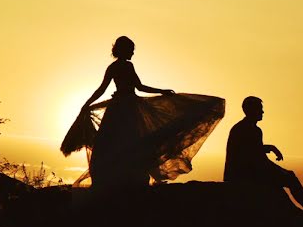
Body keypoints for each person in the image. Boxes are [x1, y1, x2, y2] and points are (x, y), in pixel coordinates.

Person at [60, 36, 225, 189]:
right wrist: (162, 91)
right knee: (132, 141)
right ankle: (130, 178)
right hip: (129, 108)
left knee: (112, 143)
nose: (133, 52)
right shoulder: (126, 65)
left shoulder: (112, 67)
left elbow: (101, 89)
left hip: (116, 108)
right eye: (131, 49)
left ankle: (113, 178)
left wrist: (86, 104)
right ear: (124, 50)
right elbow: (139, 87)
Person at [224, 96, 303, 226]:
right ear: (250, 110)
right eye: (260, 109)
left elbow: (256, 154)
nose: (262, 112)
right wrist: (281, 169)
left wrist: (270, 151)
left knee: (285, 180)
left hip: (247, 173)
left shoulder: (249, 129)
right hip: (243, 176)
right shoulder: (246, 129)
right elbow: (254, 159)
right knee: (290, 178)